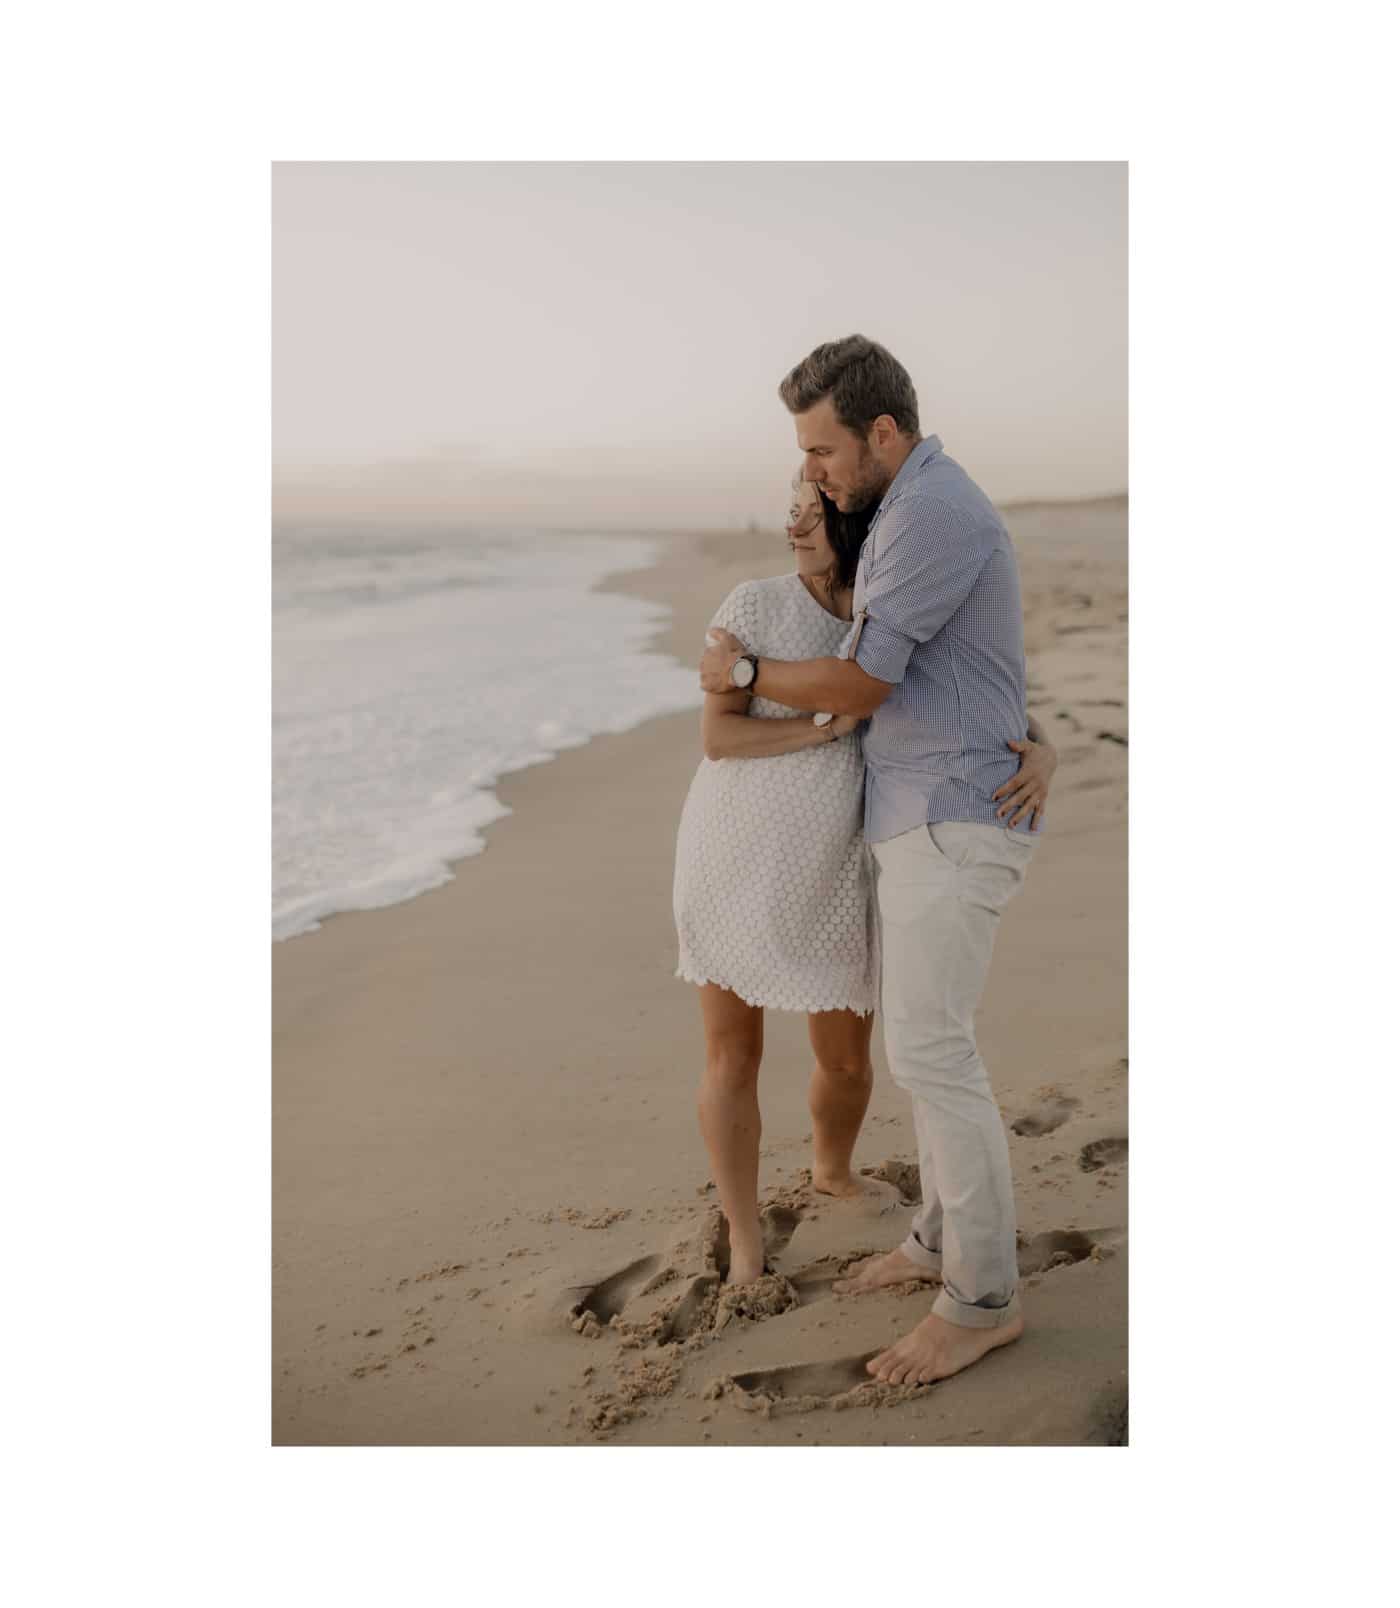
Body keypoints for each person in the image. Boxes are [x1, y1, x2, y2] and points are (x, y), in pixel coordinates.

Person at [700, 335, 1055, 1386]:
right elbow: (971, 669)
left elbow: (863, 685)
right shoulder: (900, 514)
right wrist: (1040, 736)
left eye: (822, 449)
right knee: (927, 1052)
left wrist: (751, 667)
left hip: (951, 812)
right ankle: (937, 1244)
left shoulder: (932, 513)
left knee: (933, 1057)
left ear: (882, 433)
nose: (812, 469)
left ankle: (981, 1299)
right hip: (926, 811)